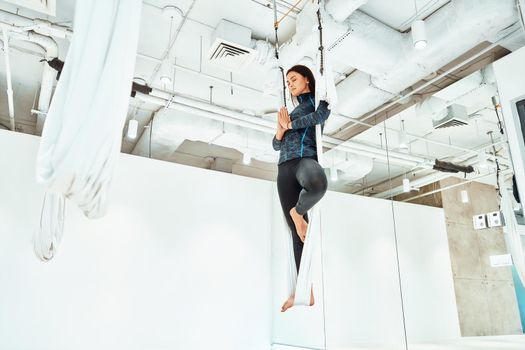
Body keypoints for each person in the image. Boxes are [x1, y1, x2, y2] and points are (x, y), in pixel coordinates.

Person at [272, 64, 330, 312]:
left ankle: (298, 213)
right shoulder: (290, 112)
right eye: (287, 82)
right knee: (298, 236)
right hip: (284, 168)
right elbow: (276, 145)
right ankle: (303, 292)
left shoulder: (318, 104)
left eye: (293, 79)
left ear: (307, 80)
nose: (290, 84)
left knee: (318, 185)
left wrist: (289, 126)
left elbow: (319, 118)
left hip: (304, 161)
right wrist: (280, 129)